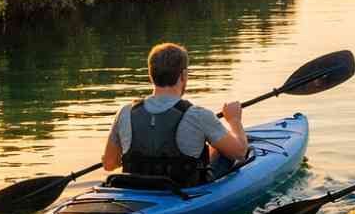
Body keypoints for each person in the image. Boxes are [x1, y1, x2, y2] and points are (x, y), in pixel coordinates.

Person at [102, 43, 248, 186]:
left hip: (136, 190)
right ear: (183, 75)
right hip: (183, 194)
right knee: (223, 151)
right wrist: (234, 120)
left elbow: (109, 164)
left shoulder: (125, 112)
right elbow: (240, 153)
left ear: (150, 74)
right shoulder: (198, 115)